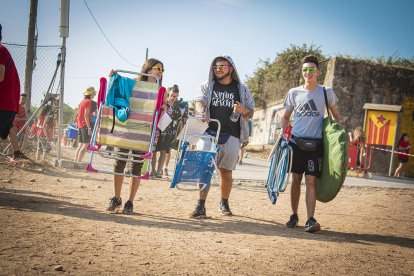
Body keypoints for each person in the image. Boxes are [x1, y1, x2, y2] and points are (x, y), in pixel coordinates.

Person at [280, 55, 340, 233]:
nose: (308, 72)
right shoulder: (294, 92)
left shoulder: (326, 92)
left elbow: (336, 116)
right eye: (305, 69)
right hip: (296, 143)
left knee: (311, 181)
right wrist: (284, 134)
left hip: (315, 145)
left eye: (311, 69)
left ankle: (310, 219)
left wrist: (337, 133)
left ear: (318, 72)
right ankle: (293, 215)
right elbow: (285, 117)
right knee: (295, 180)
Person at [191, 55, 255, 218]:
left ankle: (224, 202)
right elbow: (199, 101)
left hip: (232, 134)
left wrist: (244, 111)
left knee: (226, 172)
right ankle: (200, 206)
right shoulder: (207, 85)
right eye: (216, 66)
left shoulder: (241, 89)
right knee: (205, 168)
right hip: (208, 133)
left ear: (231, 68)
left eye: (222, 66)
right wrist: (200, 111)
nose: (218, 69)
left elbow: (251, 111)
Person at [106, 58, 165, 214]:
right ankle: (116, 197)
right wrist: (113, 77)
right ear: (147, 69)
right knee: (119, 162)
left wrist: (164, 106)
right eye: (157, 68)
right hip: (125, 129)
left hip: (143, 132)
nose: (159, 71)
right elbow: (117, 90)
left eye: (162, 69)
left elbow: (162, 114)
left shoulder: (160, 91)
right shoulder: (132, 83)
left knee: (136, 168)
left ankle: (130, 202)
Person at [0, 24, 28, 160]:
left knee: (9, 125)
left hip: (3, 103)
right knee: (10, 127)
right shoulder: (3, 50)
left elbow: (0, 76)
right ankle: (17, 153)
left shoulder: (0, 50)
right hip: (9, 104)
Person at [150, 84, 182, 178]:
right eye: (171, 95)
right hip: (158, 131)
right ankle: (152, 170)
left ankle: (159, 171)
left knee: (164, 152)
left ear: (177, 96)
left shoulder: (177, 109)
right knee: (154, 151)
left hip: (168, 134)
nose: (172, 98)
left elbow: (178, 123)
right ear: (168, 94)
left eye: (175, 96)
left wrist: (177, 136)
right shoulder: (163, 104)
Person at [74, 87, 96, 163]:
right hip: (85, 125)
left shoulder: (82, 101)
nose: (94, 95)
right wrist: (89, 128)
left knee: (80, 145)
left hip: (81, 125)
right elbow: (86, 115)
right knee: (85, 145)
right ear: (90, 94)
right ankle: (79, 162)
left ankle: (76, 161)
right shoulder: (88, 102)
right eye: (94, 93)